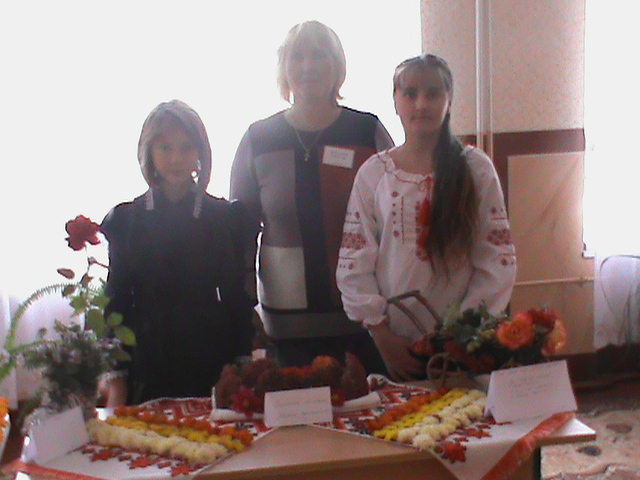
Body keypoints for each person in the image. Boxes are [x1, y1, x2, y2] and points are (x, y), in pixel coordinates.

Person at [336, 54, 517, 381]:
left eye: (433, 93)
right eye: (410, 93)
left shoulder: (475, 168)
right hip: (394, 343)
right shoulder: (374, 173)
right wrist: (382, 335)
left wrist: (460, 336)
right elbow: (355, 261)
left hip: (464, 344)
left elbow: (496, 260)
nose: (421, 104)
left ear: (450, 99)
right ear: (395, 101)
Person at [230, 20, 394, 373]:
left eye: (320, 56)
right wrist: (243, 308)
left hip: (364, 322)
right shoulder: (259, 139)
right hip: (285, 327)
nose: (308, 66)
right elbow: (240, 234)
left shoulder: (367, 132)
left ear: (338, 66)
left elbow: (395, 226)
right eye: (298, 56)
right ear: (284, 68)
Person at [101, 100, 254, 405]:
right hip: (148, 353)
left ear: (200, 152)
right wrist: (116, 375)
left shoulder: (224, 217)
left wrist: (242, 363)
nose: (176, 158)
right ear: (148, 152)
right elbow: (116, 299)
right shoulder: (127, 220)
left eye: (186, 147)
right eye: (165, 148)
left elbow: (237, 296)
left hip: (210, 350)